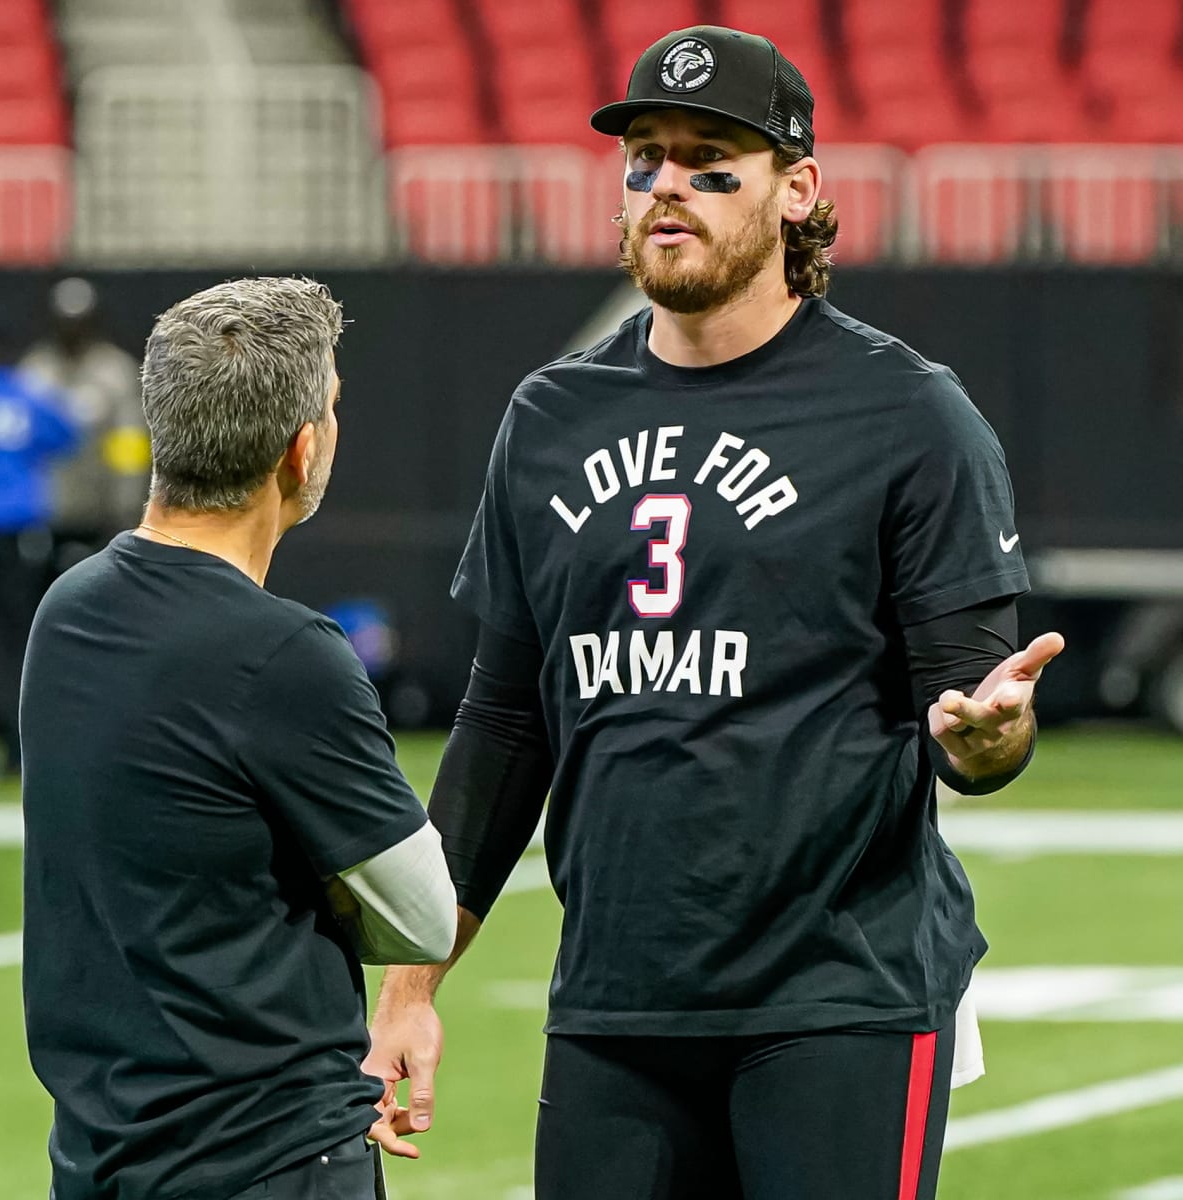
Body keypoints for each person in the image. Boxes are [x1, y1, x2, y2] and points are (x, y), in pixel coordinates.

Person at [370, 25, 1066, 1200]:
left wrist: (989, 741)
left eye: (709, 161)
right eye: (645, 158)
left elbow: (970, 712)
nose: (667, 187)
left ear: (798, 192)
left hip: (837, 996)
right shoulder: (549, 417)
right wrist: (411, 986)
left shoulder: (905, 414)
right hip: (613, 993)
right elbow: (503, 725)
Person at [20, 277, 458, 1200]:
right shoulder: (286, 654)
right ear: (301, 451)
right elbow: (421, 913)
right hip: (269, 1154)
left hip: (103, 1155)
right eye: (331, 405)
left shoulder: (67, 612)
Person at [0, 300, 77, 773]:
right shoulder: (25, 396)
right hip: (14, 530)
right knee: (20, 637)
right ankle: (19, 748)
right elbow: (68, 436)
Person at [19, 276, 149, 572]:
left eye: (79, 320)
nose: (72, 329)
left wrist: (125, 503)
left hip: (99, 508)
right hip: (46, 509)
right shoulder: (36, 370)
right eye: (65, 320)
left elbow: (129, 440)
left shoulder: (115, 373)